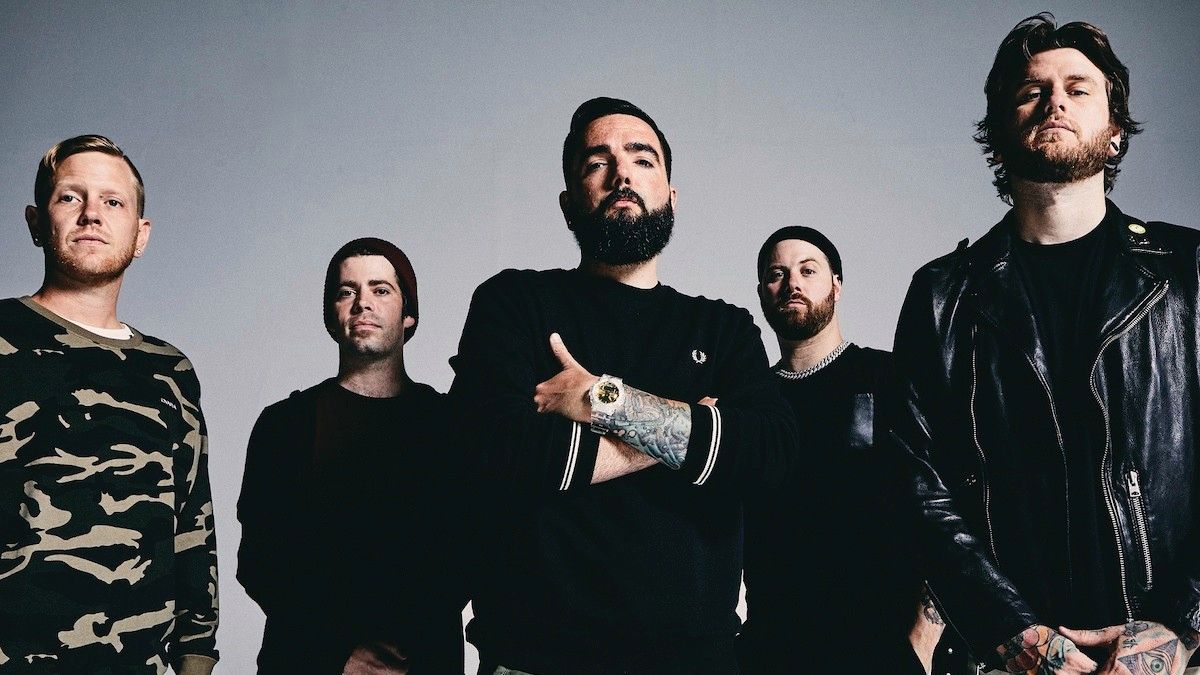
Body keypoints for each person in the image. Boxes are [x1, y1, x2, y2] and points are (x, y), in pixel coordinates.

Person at [892, 13, 1200, 675]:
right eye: (1031, 91)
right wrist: (1013, 633)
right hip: (1009, 659)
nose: (1055, 101)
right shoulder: (943, 294)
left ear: (1115, 132)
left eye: (1078, 89)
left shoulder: (1189, 272)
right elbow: (917, 486)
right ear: (1000, 134)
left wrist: (1180, 627)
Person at [449, 97, 797, 675]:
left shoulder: (724, 328)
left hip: (697, 663)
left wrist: (604, 401)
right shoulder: (515, 303)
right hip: (536, 660)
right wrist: (692, 428)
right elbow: (495, 452)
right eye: (597, 163)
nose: (622, 175)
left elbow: (769, 454)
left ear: (671, 195)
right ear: (569, 203)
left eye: (642, 159)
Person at [0, 135, 219, 673]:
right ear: (35, 222)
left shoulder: (170, 370)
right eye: (70, 197)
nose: (92, 214)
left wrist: (195, 658)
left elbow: (193, 528)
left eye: (113, 201)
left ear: (140, 235)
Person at [237, 237, 468, 674]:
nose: (363, 303)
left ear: (409, 314)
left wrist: (395, 650)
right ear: (332, 315)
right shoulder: (284, 425)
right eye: (347, 291)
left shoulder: (450, 424)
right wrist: (338, 651)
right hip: (305, 662)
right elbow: (261, 561)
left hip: (417, 662)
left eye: (381, 290)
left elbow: (470, 552)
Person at [741, 226, 963, 675]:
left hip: (885, 649)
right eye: (777, 274)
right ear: (762, 294)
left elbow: (954, 503)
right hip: (773, 651)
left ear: (836, 285)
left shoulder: (890, 377)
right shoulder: (751, 403)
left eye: (808, 270)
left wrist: (922, 640)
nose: (792, 283)